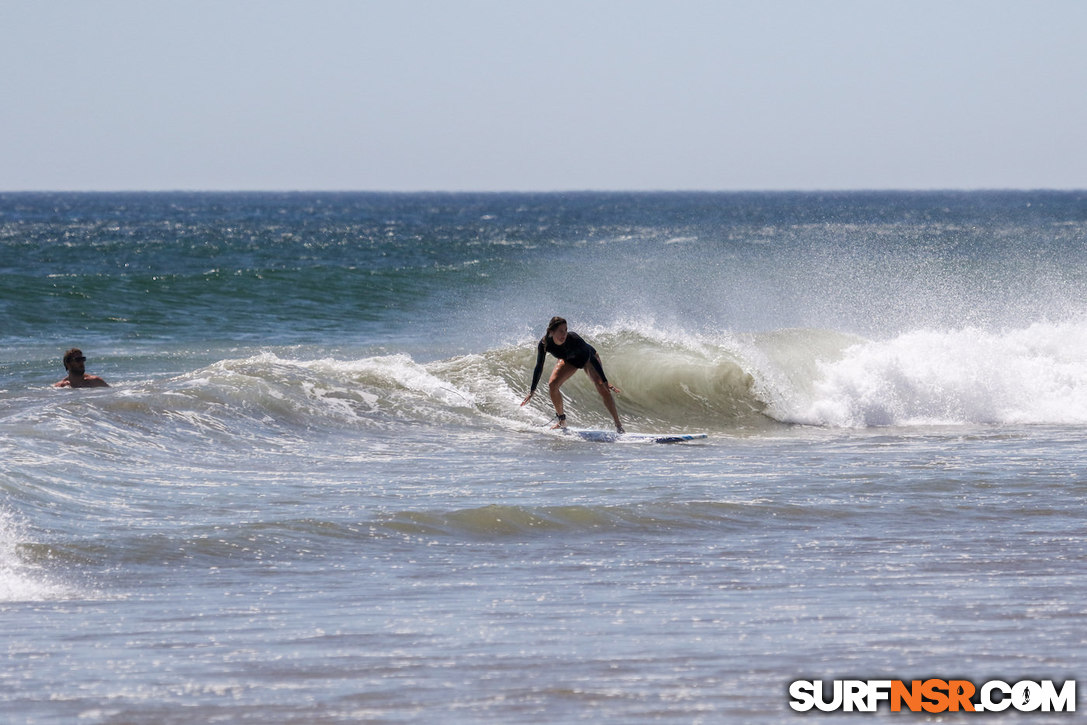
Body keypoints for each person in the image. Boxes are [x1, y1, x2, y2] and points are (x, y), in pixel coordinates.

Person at [521, 316, 624, 432]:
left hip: (588, 358)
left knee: (602, 387)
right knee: (552, 385)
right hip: (569, 360)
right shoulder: (544, 344)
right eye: (561, 331)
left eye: (565, 330)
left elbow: (590, 357)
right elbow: (539, 366)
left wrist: (604, 380)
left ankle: (618, 425)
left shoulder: (574, 339)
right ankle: (562, 421)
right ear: (551, 331)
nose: (564, 334)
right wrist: (532, 390)